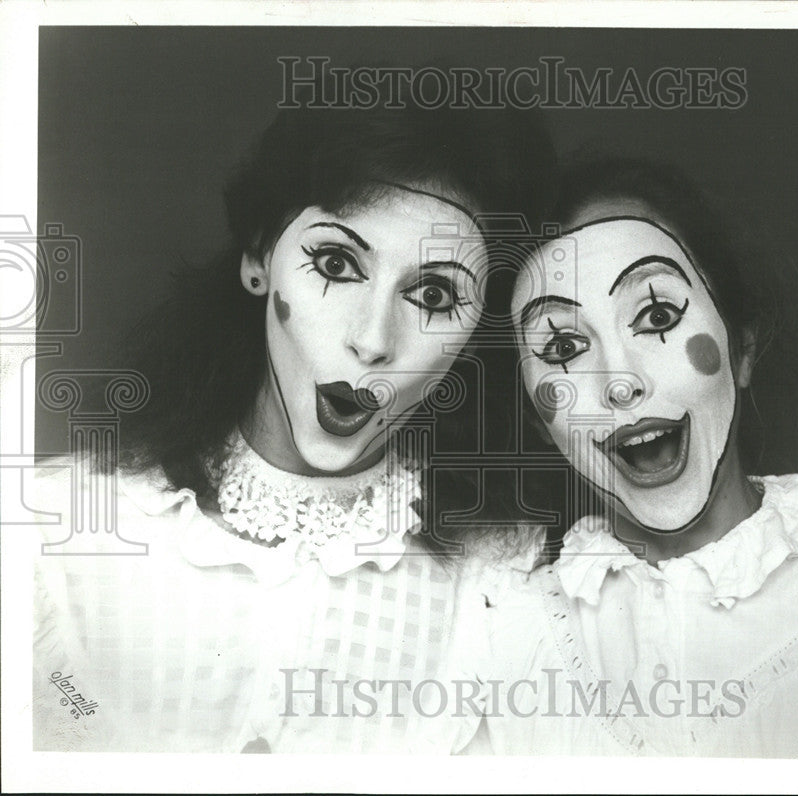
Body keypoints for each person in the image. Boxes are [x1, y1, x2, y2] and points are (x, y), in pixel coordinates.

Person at [32, 96, 555, 752]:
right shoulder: (52, 531)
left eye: (433, 296)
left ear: (474, 339)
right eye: (336, 265)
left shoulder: (507, 581)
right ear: (259, 259)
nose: (370, 341)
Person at [444, 157, 798, 759]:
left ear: (742, 347)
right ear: (540, 421)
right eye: (563, 347)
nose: (621, 383)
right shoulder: (502, 648)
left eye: (657, 317)